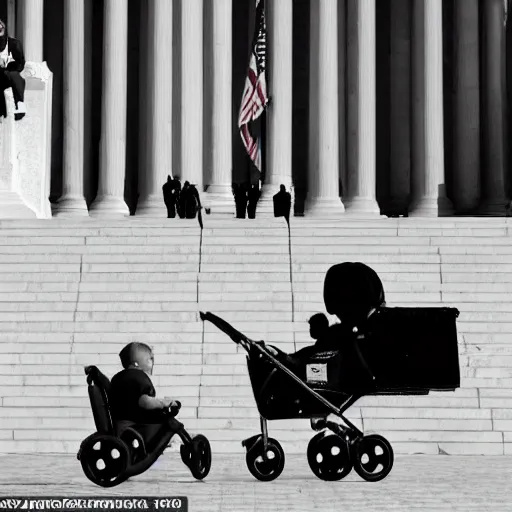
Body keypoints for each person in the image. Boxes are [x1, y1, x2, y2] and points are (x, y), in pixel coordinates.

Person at [109, 342, 183, 449]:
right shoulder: (139, 377)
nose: (152, 363)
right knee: (165, 422)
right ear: (136, 364)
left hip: (119, 426)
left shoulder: (117, 378)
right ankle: (173, 439)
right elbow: (144, 402)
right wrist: (163, 403)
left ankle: (171, 439)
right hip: (134, 430)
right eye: (149, 359)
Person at [0, 19, 26, 120]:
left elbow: (21, 64)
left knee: (16, 76)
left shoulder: (14, 44)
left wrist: (9, 64)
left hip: (11, 74)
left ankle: (19, 104)